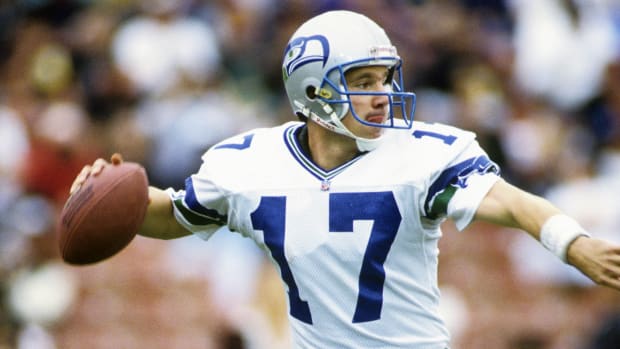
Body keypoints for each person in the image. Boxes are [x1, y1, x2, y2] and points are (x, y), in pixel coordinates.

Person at [70, 10, 620, 349]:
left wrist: (574, 244)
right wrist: (112, 194)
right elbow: (176, 218)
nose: (381, 94)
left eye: (383, 77)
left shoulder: (423, 153)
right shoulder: (248, 163)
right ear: (313, 92)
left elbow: (513, 203)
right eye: (362, 81)